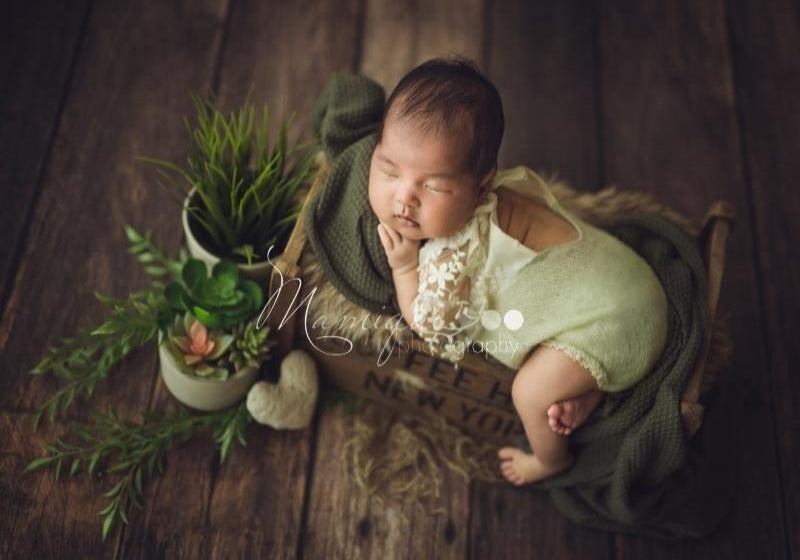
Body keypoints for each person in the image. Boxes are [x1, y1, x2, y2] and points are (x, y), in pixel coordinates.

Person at [371, 57, 669, 485]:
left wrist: (404, 267)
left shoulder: (455, 253)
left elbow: (430, 325)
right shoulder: (497, 193)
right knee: (561, 363)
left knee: (529, 391)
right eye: (388, 169)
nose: (404, 199)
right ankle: (590, 392)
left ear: (481, 184)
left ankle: (552, 459)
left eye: (433, 186)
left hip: (617, 325)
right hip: (630, 282)